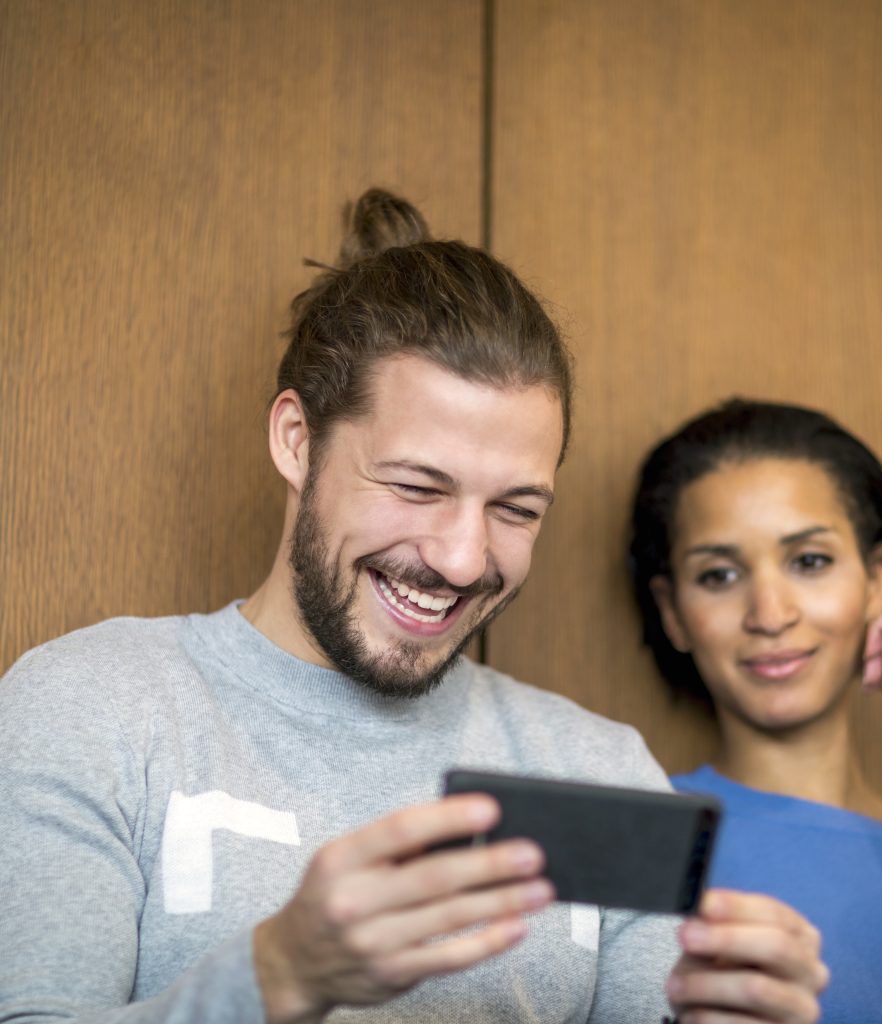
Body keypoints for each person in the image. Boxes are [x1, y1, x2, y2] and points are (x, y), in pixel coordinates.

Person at [0, 192, 827, 1024]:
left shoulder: (602, 770)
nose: (463, 558)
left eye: (516, 510)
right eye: (415, 487)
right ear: (297, 440)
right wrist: (276, 975)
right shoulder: (94, 705)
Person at [629, 397, 882, 1024]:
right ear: (672, 610)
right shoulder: (632, 847)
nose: (770, 614)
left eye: (809, 562)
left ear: (877, 578)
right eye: (719, 576)